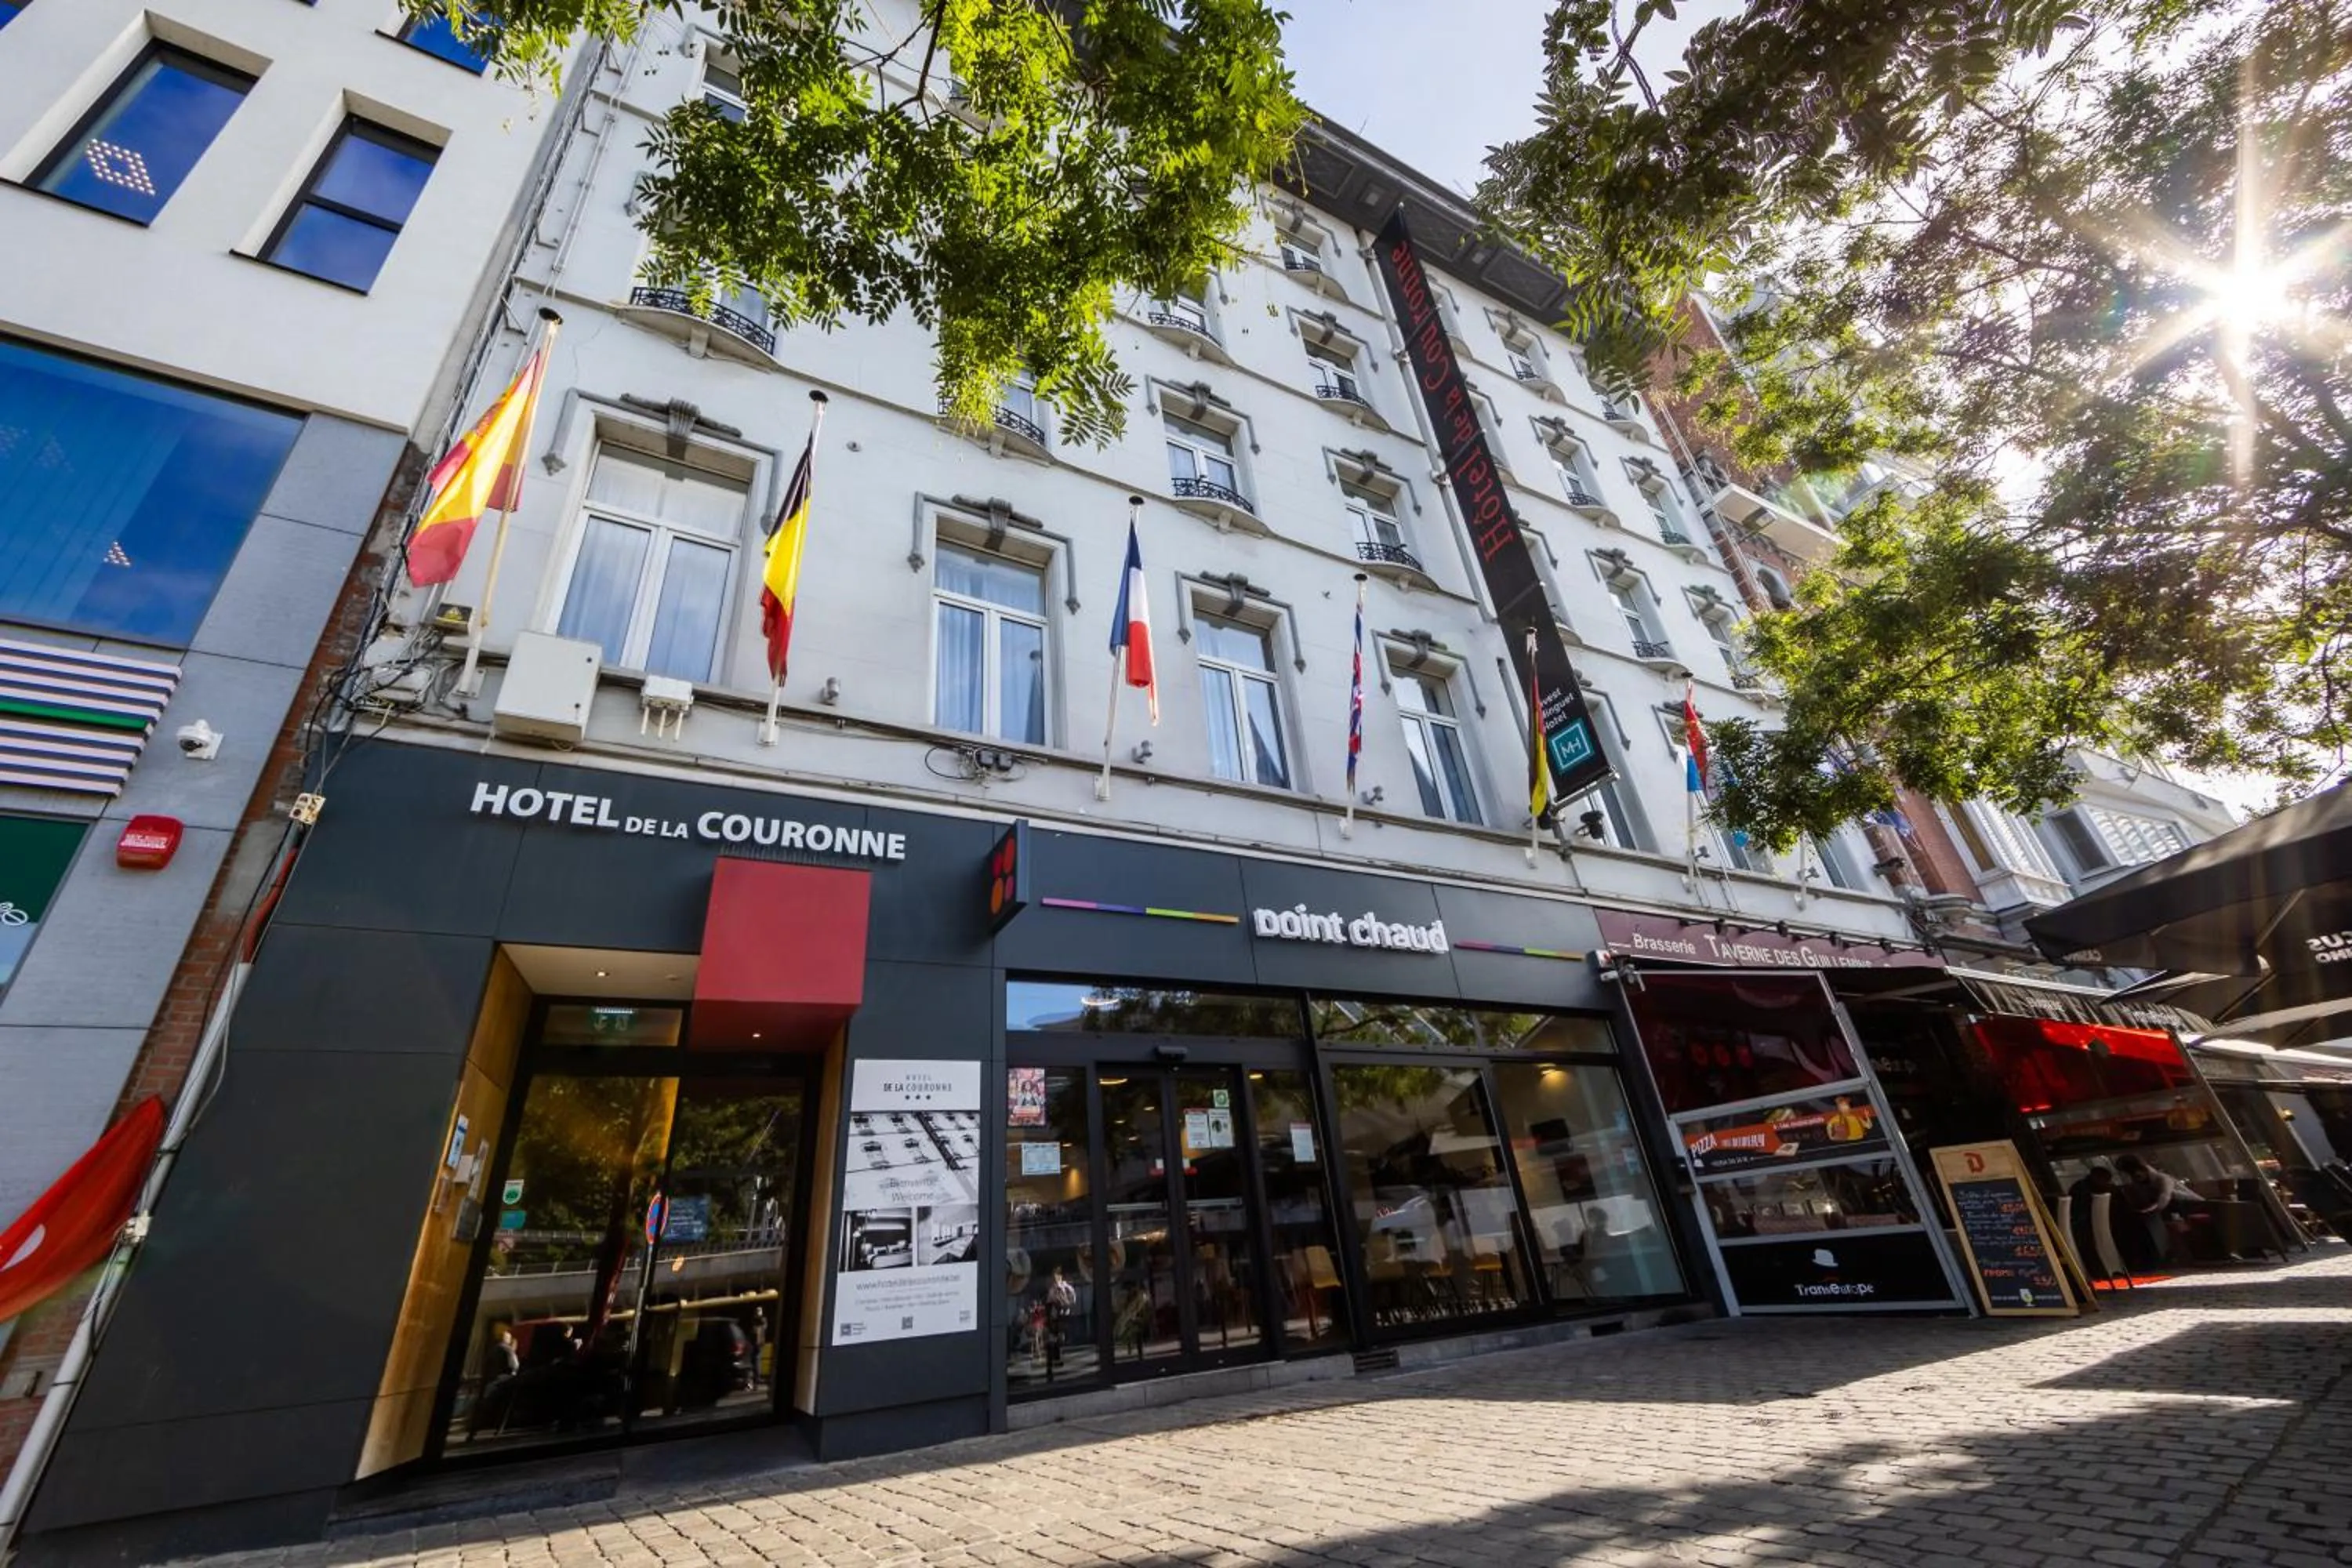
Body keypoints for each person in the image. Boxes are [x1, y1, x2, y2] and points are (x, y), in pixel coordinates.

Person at [2118, 1152, 2205, 1261]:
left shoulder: (2163, 1179)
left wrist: (2152, 1209)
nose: (2135, 1178)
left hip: (2195, 1208)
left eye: (2136, 1174)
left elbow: (2165, 1197)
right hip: (2176, 1212)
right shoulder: (2143, 1185)